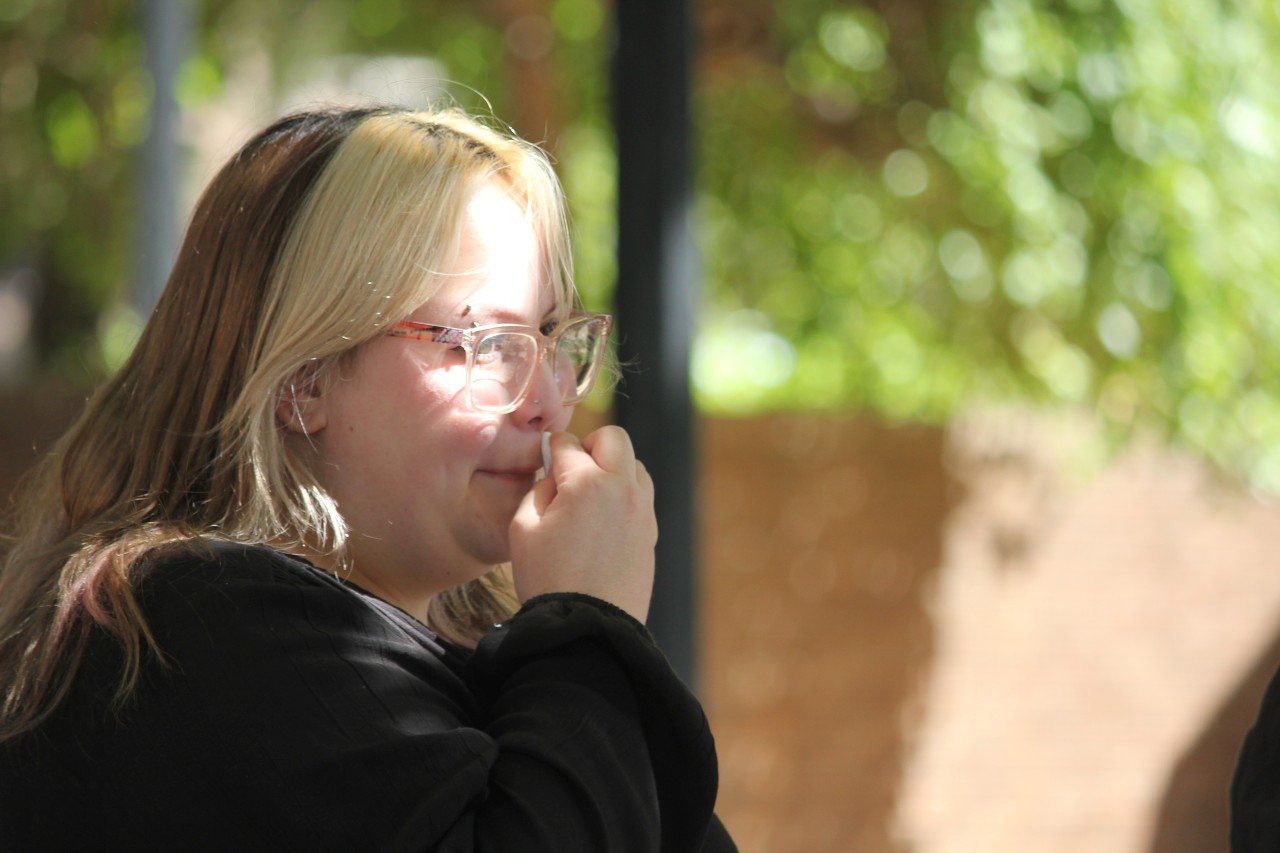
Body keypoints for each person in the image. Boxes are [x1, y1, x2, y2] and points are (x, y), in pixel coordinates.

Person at [0, 105, 736, 852]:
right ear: (304, 379)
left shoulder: (472, 653)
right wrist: (589, 626)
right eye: (482, 345)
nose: (549, 403)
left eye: (549, 337)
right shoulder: (196, 627)